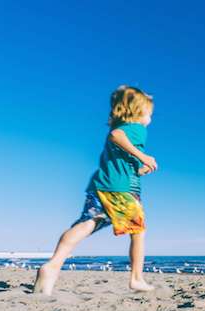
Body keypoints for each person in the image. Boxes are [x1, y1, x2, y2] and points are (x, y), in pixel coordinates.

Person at [34, 85, 167, 296]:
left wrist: (139, 169)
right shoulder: (136, 128)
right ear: (137, 111)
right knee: (138, 232)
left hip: (103, 184)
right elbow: (116, 135)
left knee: (88, 223)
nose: (150, 117)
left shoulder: (125, 129)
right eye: (149, 112)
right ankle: (136, 278)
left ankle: (53, 265)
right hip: (121, 190)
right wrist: (144, 157)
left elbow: (119, 158)